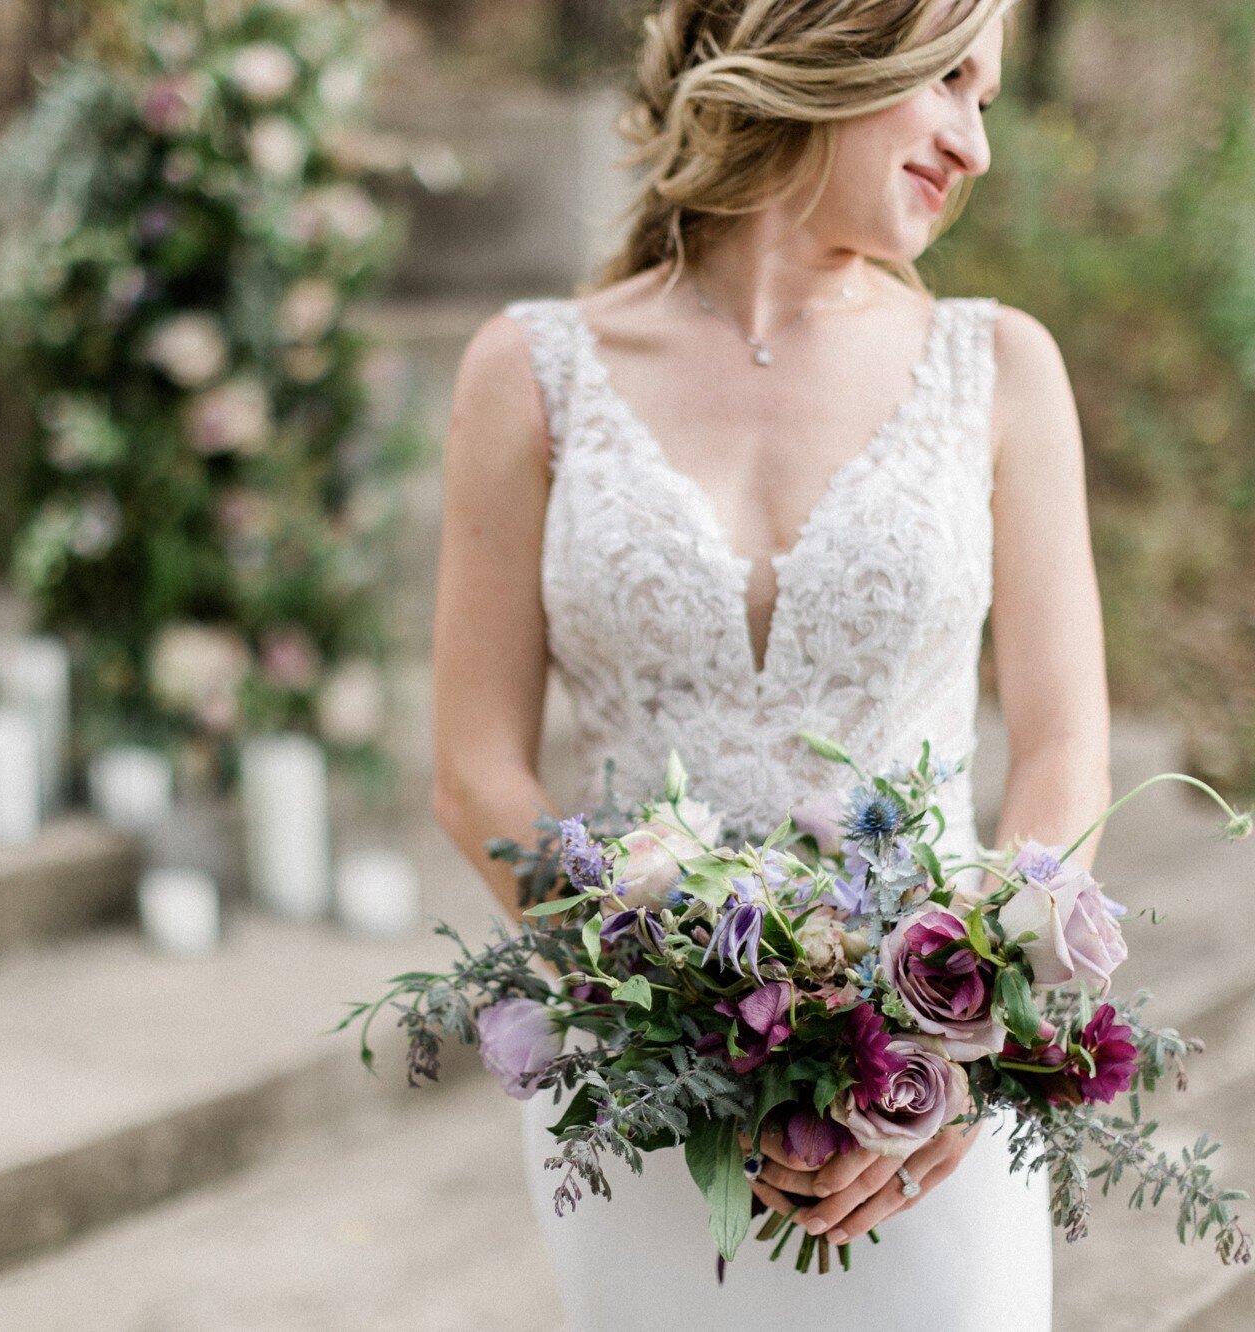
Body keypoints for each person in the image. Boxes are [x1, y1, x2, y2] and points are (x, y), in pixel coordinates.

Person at [428, 0, 1109, 1325]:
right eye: (951, 83)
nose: (975, 146)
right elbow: (473, 772)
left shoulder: (1001, 368)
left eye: (991, 101)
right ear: (835, 43)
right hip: (638, 1106)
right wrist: (675, 1023)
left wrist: (964, 1034)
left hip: (924, 1116)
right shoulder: (530, 373)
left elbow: (1067, 742)